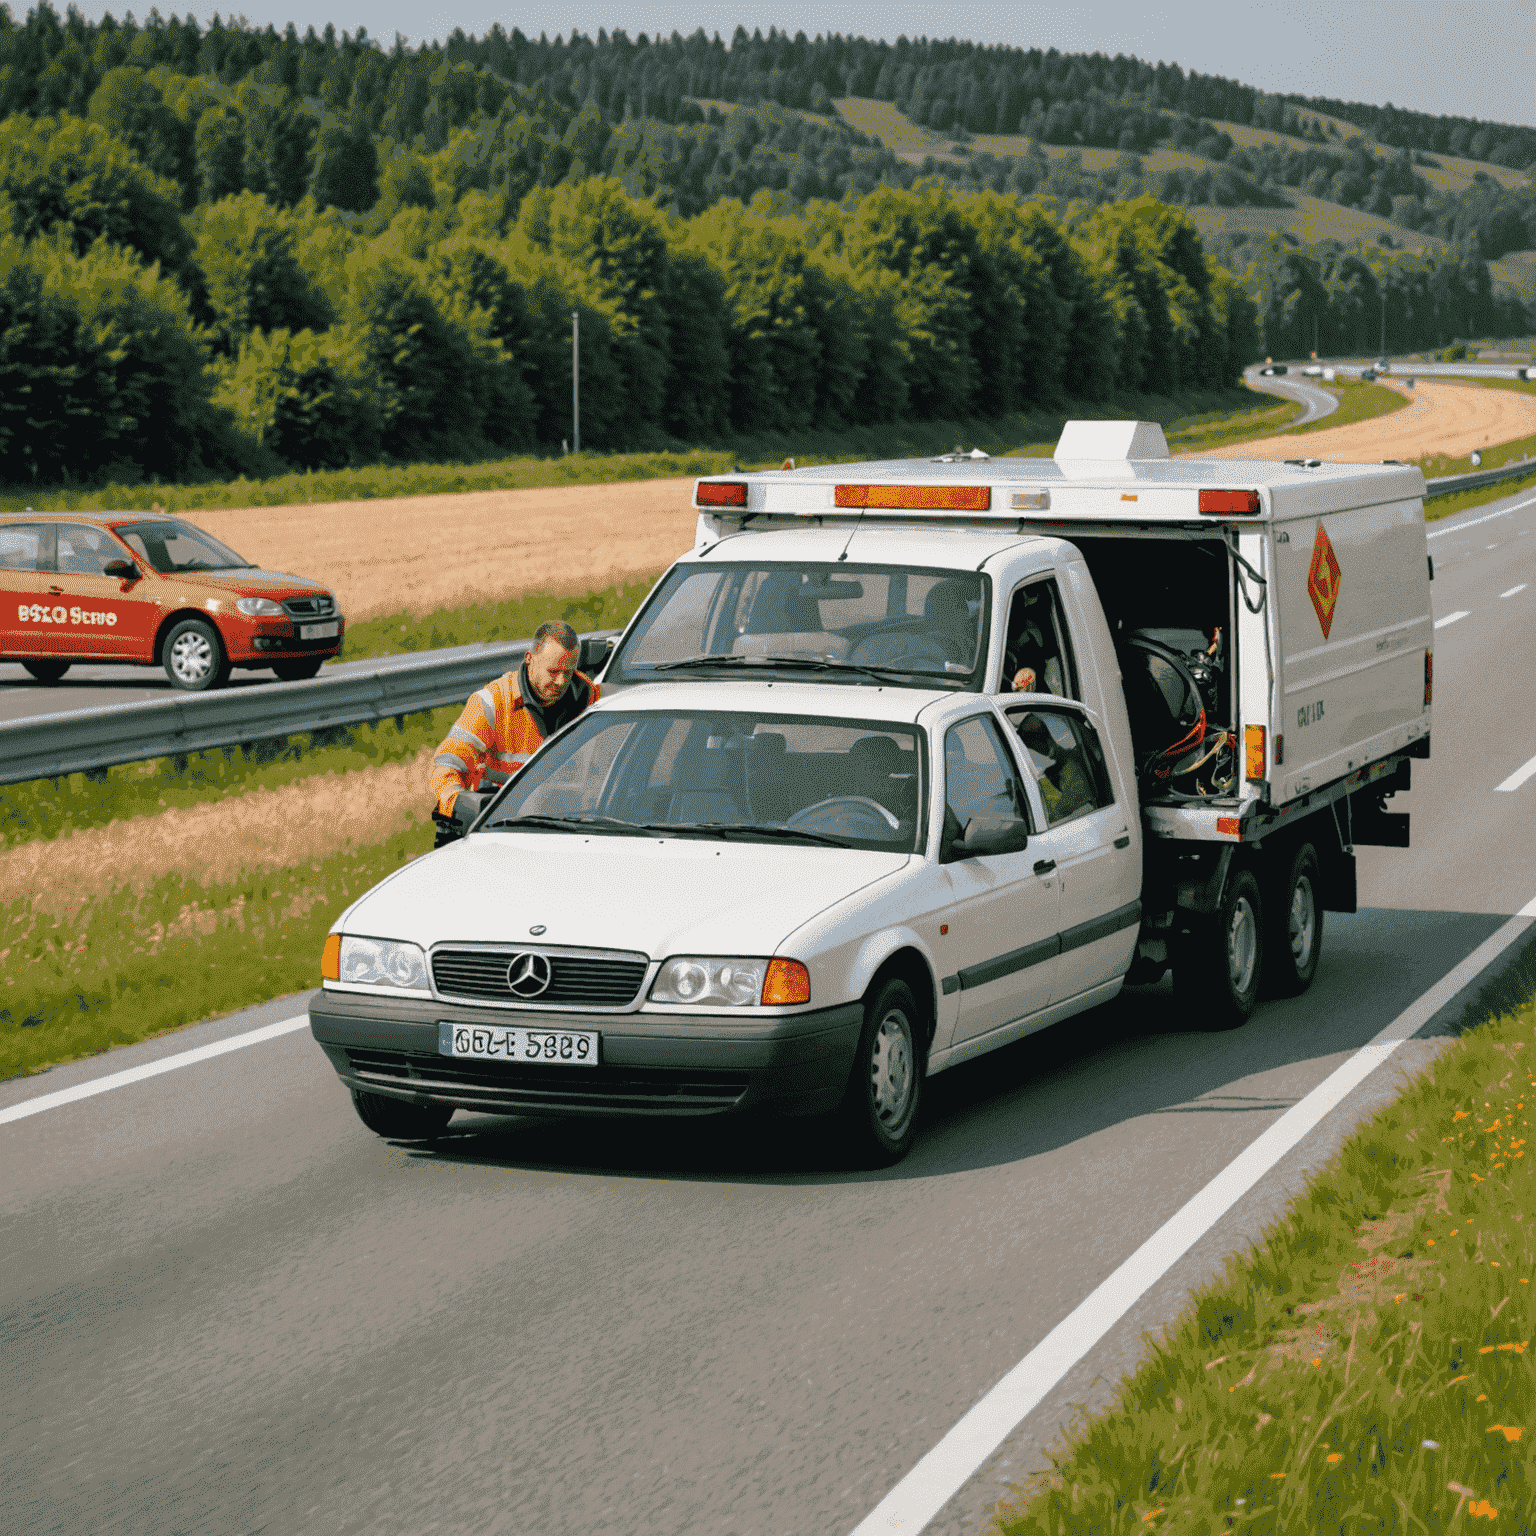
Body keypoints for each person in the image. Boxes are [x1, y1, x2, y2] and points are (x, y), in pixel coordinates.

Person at [429, 620, 600, 821]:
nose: (561, 681)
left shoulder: (593, 702)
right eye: (553, 672)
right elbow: (449, 760)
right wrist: (457, 801)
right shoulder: (493, 701)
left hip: (574, 822)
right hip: (503, 822)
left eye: (568, 672)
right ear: (530, 659)